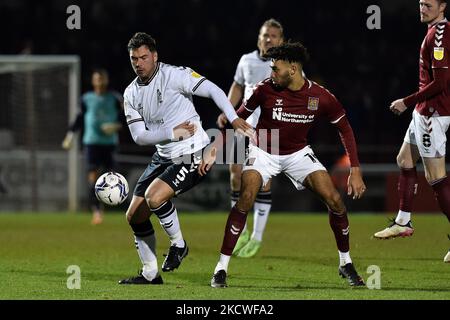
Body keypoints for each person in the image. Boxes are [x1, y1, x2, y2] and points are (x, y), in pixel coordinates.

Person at [206, 42, 367, 288]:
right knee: (246, 196)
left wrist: (355, 169)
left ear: (292, 69)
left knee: (335, 200)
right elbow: (239, 116)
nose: (271, 74)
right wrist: (219, 140)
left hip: (298, 153)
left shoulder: (321, 97)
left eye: (275, 69)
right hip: (262, 152)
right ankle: (221, 268)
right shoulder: (264, 90)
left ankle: (345, 263)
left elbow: (344, 128)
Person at [118, 32, 252, 284]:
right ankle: (150, 274)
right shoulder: (130, 94)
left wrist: (233, 119)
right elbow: (138, 136)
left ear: (155, 56)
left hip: (193, 153)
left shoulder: (175, 75)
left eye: (144, 57)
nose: (139, 63)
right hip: (163, 156)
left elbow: (214, 90)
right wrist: (171, 133)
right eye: (134, 58)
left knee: (154, 197)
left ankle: (179, 245)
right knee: (134, 215)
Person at [373, 0, 450, 263]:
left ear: (442, 7)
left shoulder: (439, 35)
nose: (422, 8)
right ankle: (403, 221)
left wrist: (406, 101)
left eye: (428, 5)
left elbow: (440, 83)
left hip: (432, 114)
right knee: (404, 160)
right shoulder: (433, 31)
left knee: (436, 177)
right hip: (423, 111)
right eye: (420, 4)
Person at [216, 18, 285, 258]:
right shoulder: (246, 60)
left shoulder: (285, 63)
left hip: (269, 127)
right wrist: (227, 109)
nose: (269, 39)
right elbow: (237, 86)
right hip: (242, 124)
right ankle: (241, 231)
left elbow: (299, 87)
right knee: (235, 174)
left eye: (274, 36)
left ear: (281, 40)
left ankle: (257, 237)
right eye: (265, 35)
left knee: (263, 180)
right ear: (259, 37)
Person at [62, 69, 123, 225]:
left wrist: (116, 126)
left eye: (102, 78)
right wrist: (70, 136)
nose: (100, 81)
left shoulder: (115, 98)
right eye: (97, 79)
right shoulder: (86, 99)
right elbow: (78, 119)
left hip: (110, 144)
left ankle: (110, 206)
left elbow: (127, 118)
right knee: (93, 178)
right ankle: (96, 212)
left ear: (106, 80)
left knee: (111, 179)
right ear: (93, 81)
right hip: (92, 143)